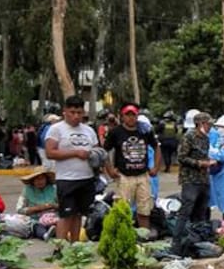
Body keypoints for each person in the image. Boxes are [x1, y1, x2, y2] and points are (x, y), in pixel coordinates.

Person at [44, 95, 99, 242]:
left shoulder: (89, 130)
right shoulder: (56, 129)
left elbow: (96, 151)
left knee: (78, 214)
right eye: (72, 112)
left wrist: (95, 158)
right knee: (66, 215)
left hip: (86, 177)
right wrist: (75, 152)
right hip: (67, 179)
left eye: (79, 113)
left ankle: (75, 245)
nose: (76, 116)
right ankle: (60, 246)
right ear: (65, 111)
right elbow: (50, 152)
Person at [103, 104, 162, 229]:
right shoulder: (115, 132)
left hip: (143, 175)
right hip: (124, 176)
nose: (130, 118)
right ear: (122, 116)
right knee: (122, 210)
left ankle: (144, 237)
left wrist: (156, 167)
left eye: (133, 115)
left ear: (137, 116)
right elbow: (105, 151)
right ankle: (124, 237)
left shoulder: (145, 131)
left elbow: (156, 147)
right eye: (127, 115)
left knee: (144, 209)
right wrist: (109, 170)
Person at [169, 111, 214, 257]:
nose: (209, 127)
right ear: (200, 124)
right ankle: (176, 243)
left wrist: (208, 163)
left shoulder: (206, 139)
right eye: (208, 124)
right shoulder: (189, 137)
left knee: (201, 211)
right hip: (190, 180)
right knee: (185, 211)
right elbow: (182, 157)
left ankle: (197, 240)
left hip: (203, 179)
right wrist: (199, 163)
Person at [16, 165, 58, 239]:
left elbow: (64, 205)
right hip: (35, 219)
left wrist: (54, 206)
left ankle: (54, 231)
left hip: (53, 218)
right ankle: (45, 235)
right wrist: (37, 208)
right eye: (37, 179)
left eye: (42, 179)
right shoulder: (27, 190)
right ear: (33, 181)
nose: (40, 181)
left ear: (46, 179)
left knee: (57, 224)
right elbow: (19, 210)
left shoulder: (54, 188)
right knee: (37, 226)